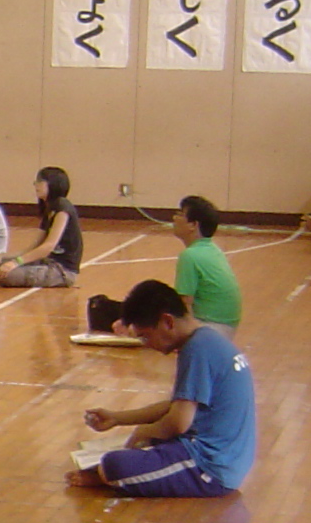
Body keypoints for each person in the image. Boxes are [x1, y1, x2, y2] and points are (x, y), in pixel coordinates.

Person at [69, 280, 255, 498]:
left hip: (211, 467)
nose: (146, 344)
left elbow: (178, 423)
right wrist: (117, 418)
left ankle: (106, 475)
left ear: (167, 321)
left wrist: (143, 432)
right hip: (227, 458)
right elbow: (176, 407)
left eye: (145, 336)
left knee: (113, 465)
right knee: (146, 445)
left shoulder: (196, 350)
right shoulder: (208, 340)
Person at [0, 167, 83, 288]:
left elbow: (48, 246)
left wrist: (16, 262)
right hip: (47, 262)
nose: (36, 184)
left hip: (62, 270)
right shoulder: (49, 208)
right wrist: (4, 257)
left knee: (8, 275)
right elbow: (36, 246)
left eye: (40, 181)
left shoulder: (62, 206)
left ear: (53, 184)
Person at [169, 196, 243, 334]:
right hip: (227, 326)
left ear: (193, 225)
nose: (174, 218)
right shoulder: (213, 250)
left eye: (180, 214)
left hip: (211, 327)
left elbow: (184, 304)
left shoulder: (190, 256)